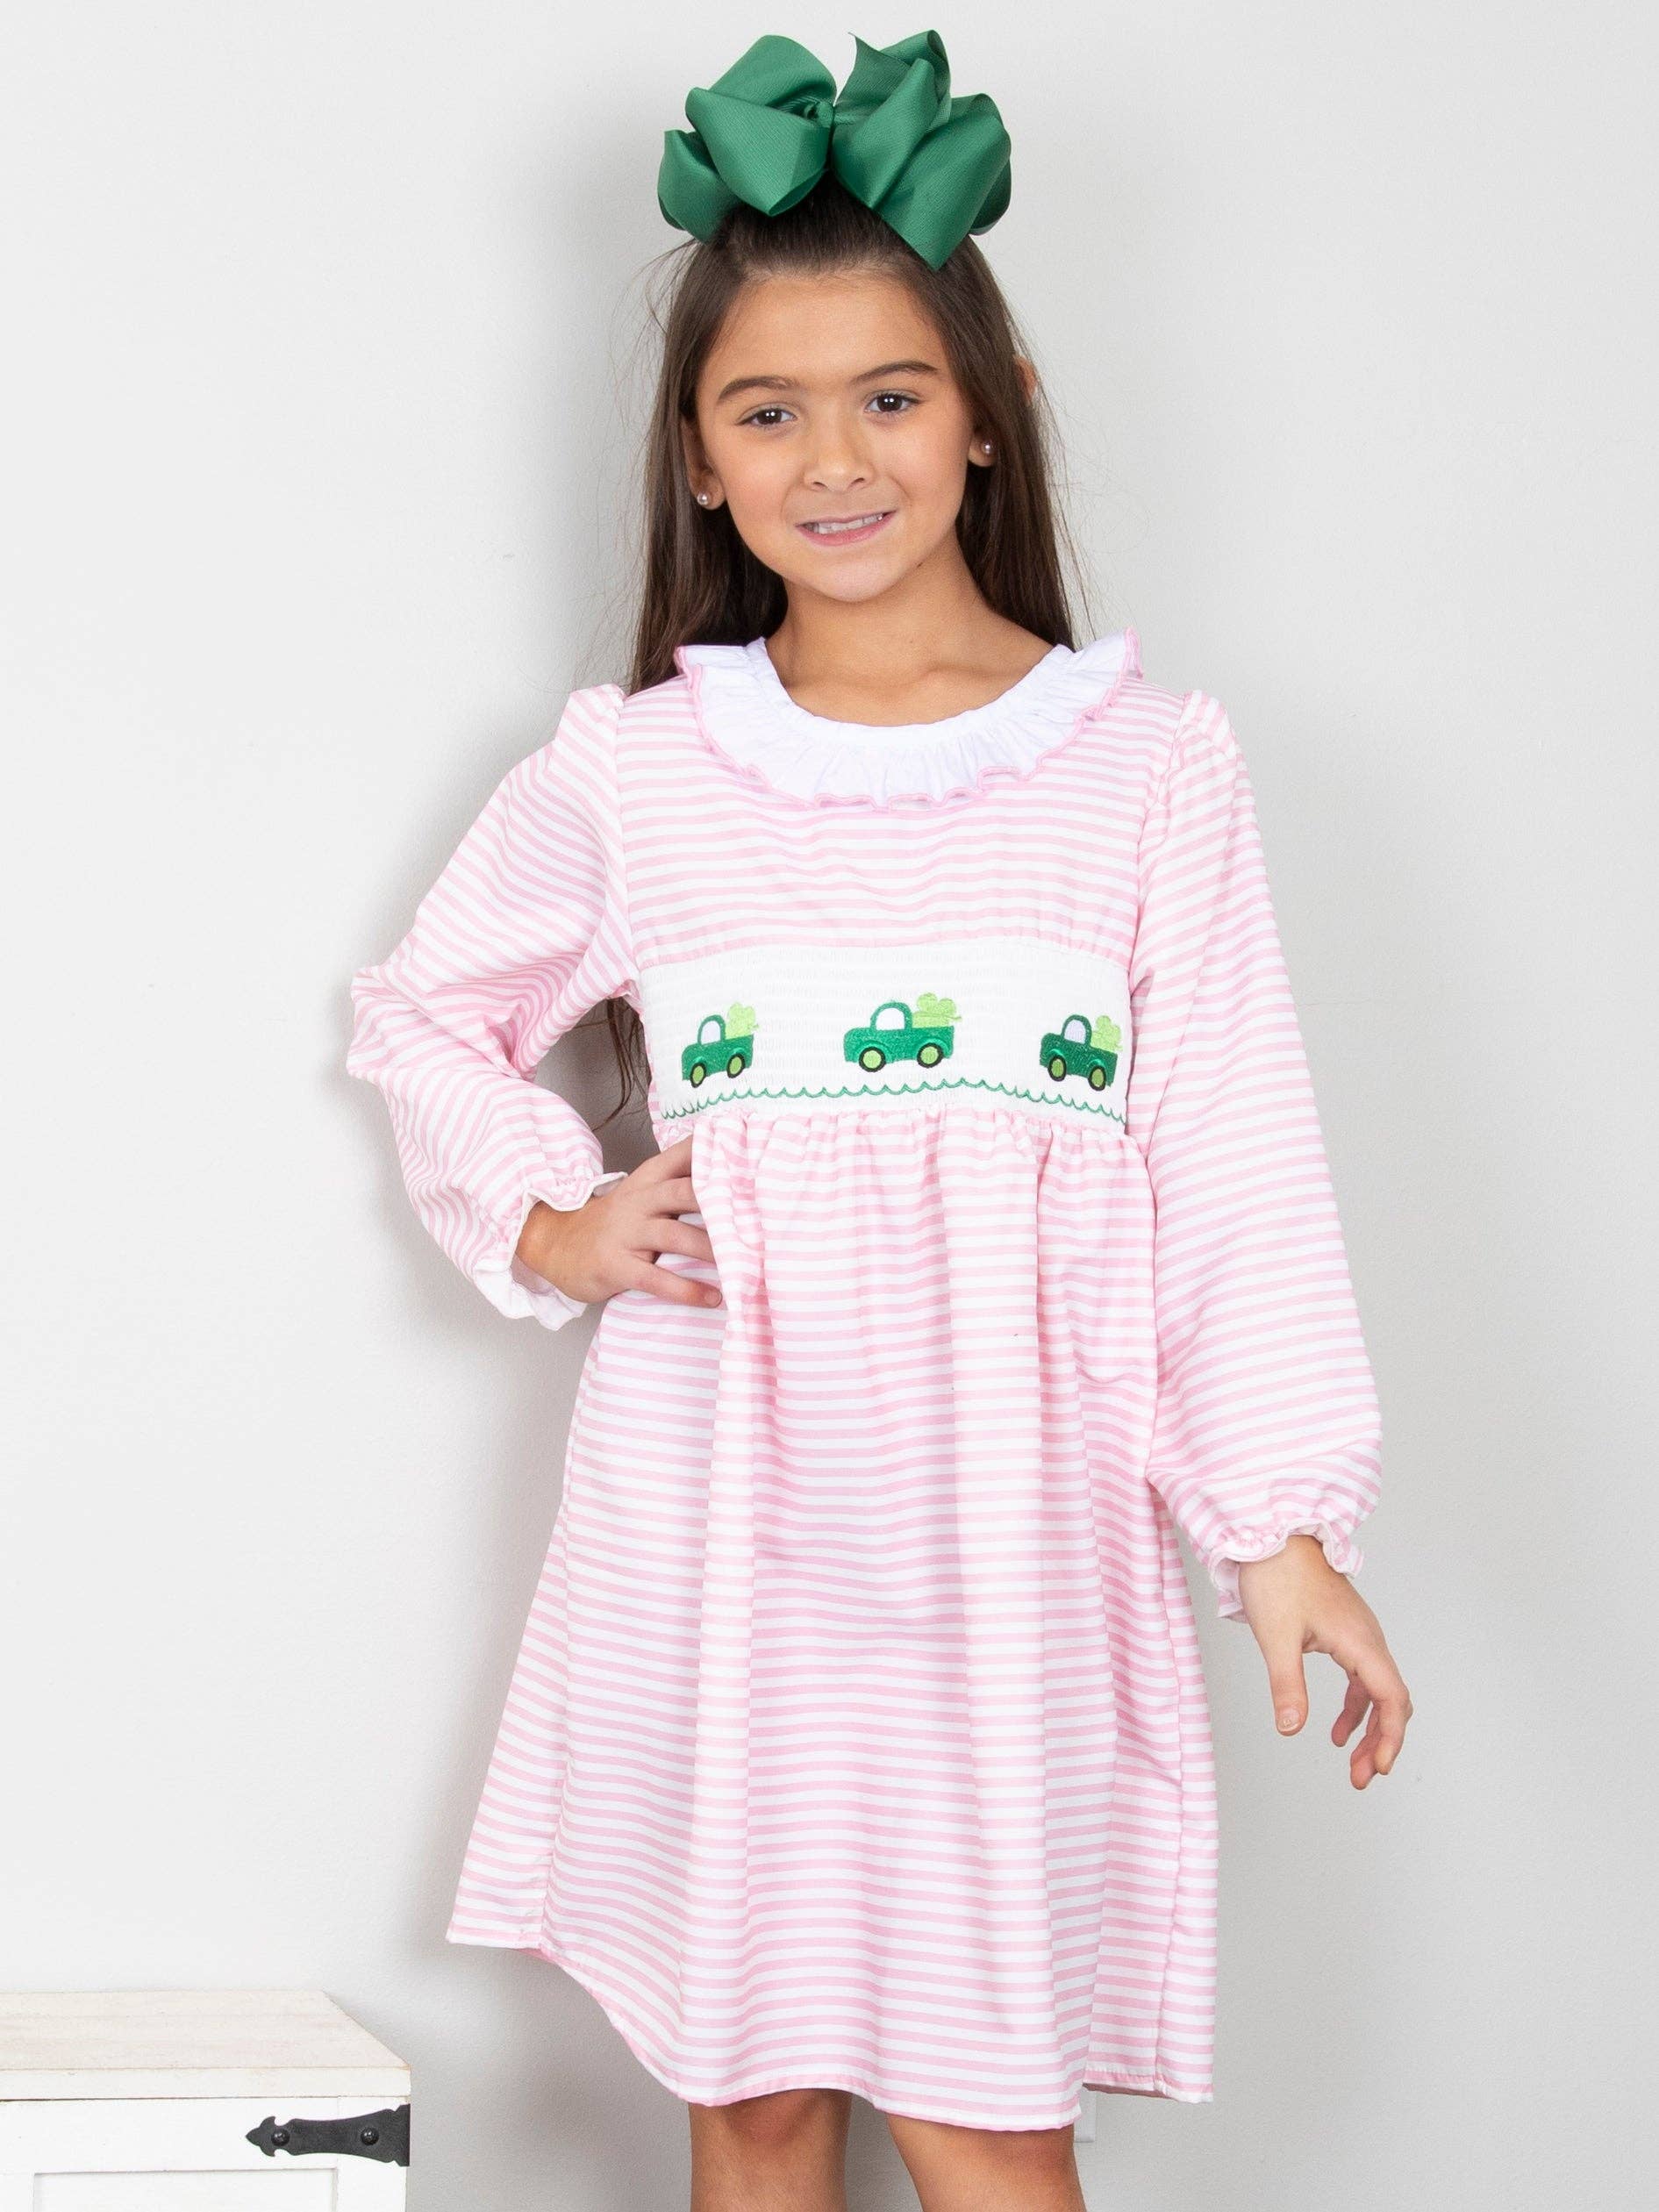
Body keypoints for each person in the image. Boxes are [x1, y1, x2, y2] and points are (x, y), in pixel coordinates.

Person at [345, 26, 1412, 2210]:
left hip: (1013, 1538)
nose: (834, 457)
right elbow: (425, 1011)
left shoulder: (1144, 769)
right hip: (720, 1526)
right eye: (768, 410)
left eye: (890, 397)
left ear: (986, 416)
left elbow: (1232, 1157)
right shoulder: (643, 770)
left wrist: (1279, 1528)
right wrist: (553, 1221)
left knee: (982, 2110)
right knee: (750, 2104)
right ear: (699, 459)